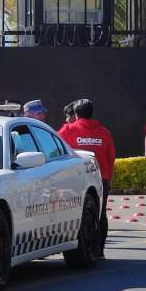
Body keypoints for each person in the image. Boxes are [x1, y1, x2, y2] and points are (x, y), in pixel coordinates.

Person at [58, 99, 115, 259]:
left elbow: (55, 151)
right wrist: (108, 178)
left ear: (76, 114)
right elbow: (111, 157)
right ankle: (99, 250)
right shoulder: (104, 132)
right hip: (100, 179)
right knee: (100, 214)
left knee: (74, 214)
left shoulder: (67, 130)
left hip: (74, 181)